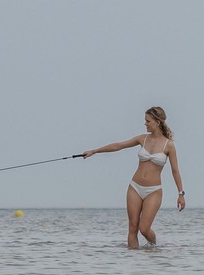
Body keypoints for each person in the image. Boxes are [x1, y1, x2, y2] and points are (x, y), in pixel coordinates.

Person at [79, 106, 185, 248]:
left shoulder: (169, 145)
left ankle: (154, 248)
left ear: (157, 122)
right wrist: (94, 151)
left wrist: (180, 194)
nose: (145, 124)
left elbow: (175, 171)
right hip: (135, 187)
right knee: (132, 228)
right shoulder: (142, 139)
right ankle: (133, 263)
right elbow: (118, 145)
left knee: (144, 229)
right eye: (145, 121)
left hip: (153, 190)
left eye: (148, 121)